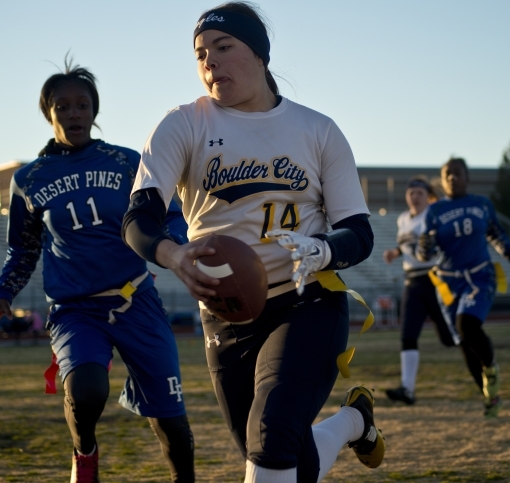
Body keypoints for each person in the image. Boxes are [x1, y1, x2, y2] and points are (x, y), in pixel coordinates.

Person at [121, 3, 384, 482]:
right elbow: (138, 220)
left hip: (307, 299)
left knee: (272, 437)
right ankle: (354, 421)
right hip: (229, 311)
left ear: (260, 55)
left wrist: (322, 249)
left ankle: (350, 421)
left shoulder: (317, 129)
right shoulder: (183, 123)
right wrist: (172, 253)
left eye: (223, 47)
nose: (210, 63)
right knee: (281, 457)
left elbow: (360, 232)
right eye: (201, 54)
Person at [0, 58, 195, 483]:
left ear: (94, 111)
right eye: (63, 106)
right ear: (49, 113)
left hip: (137, 301)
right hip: (76, 310)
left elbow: (168, 212)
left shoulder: (127, 161)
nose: (73, 113)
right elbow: (22, 249)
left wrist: (182, 247)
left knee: (173, 425)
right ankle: (85, 454)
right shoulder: (29, 178)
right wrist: (3, 296)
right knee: (88, 391)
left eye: (82, 105)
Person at [417, 157, 510, 418]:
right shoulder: (434, 211)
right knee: (464, 343)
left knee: (466, 325)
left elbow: (496, 234)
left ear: (468, 177)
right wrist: (425, 246)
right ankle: (491, 399)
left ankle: (490, 368)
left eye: (457, 173)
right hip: (447, 282)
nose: (452, 178)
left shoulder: (482, 204)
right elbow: (426, 254)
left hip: (480, 276)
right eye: (447, 174)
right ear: (442, 179)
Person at [383, 176, 459, 405]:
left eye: (419, 193)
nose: (414, 197)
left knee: (449, 338)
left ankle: (484, 362)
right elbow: (407, 243)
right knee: (408, 335)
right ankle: (408, 389)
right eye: (411, 193)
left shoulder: (434, 213)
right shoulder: (403, 219)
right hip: (412, 282)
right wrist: (395, 252)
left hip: (435, 280)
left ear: (428, 197)